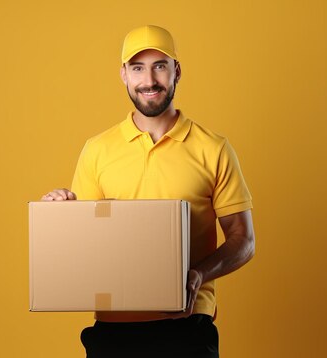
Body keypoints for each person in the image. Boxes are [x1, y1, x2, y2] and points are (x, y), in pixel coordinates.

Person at [42, 25, 255, 358]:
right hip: (114, 329)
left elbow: (244, 240)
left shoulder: (213, 148)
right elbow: (82, 249)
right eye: (138, 68)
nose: (149, 80)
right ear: (124, 75)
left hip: (187, 327)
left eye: (160, 65)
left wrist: (199, 274)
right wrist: (58, 214)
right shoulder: (98, 150)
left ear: (176, 71)